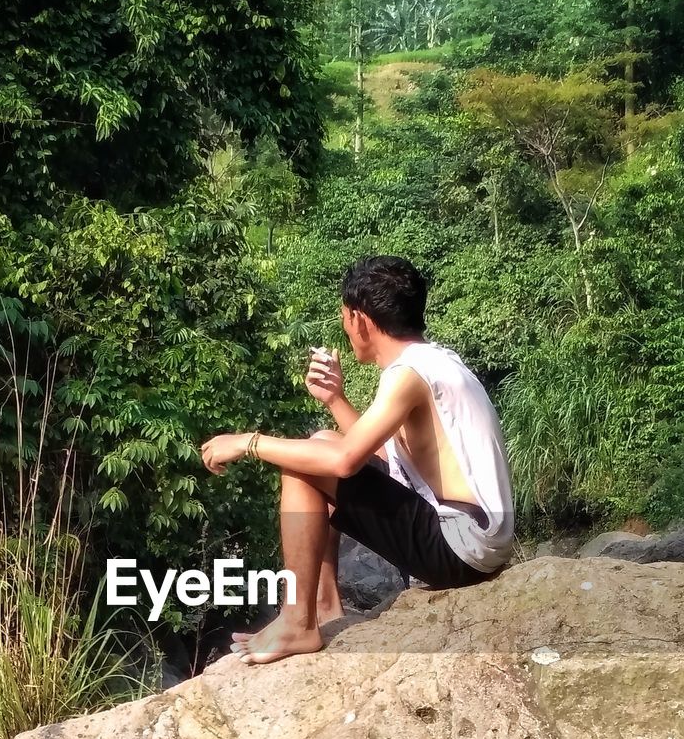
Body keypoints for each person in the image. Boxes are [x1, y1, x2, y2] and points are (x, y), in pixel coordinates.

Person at [200, 254, 514, 665]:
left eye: (345, 317)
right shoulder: (433, 362)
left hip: (461, 545)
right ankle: (326, 606)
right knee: (322, 440)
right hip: (474, 537)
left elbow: (346, 463)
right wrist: (335, 400)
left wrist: (248, 442)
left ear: (359, 319)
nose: (345, 328)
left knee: (305, 463)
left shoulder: (409, 375)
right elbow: (385, 459)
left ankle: (298, 620)